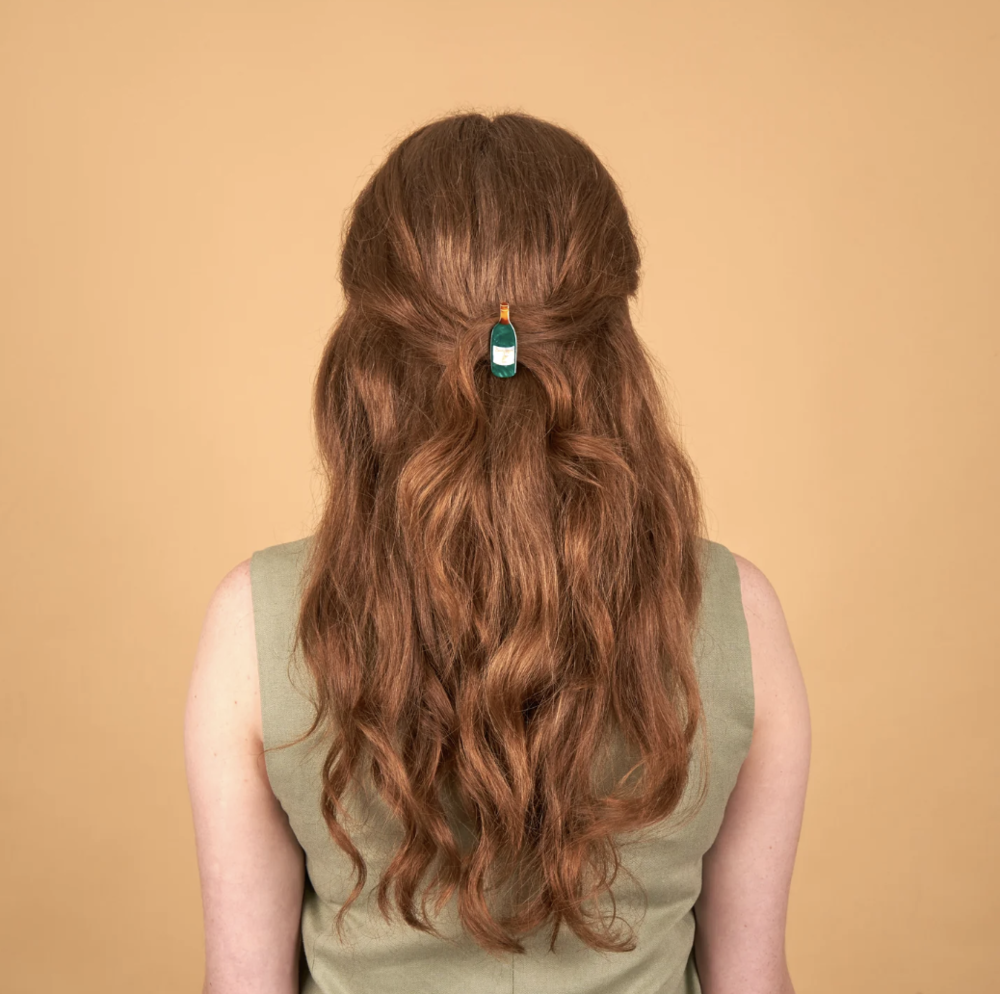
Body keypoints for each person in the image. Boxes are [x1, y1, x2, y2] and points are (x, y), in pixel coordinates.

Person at [184, 110, 811, 994]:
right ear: (614, 344)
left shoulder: (251, 626)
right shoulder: (740, 615)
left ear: (366, 349)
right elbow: (753, 980)